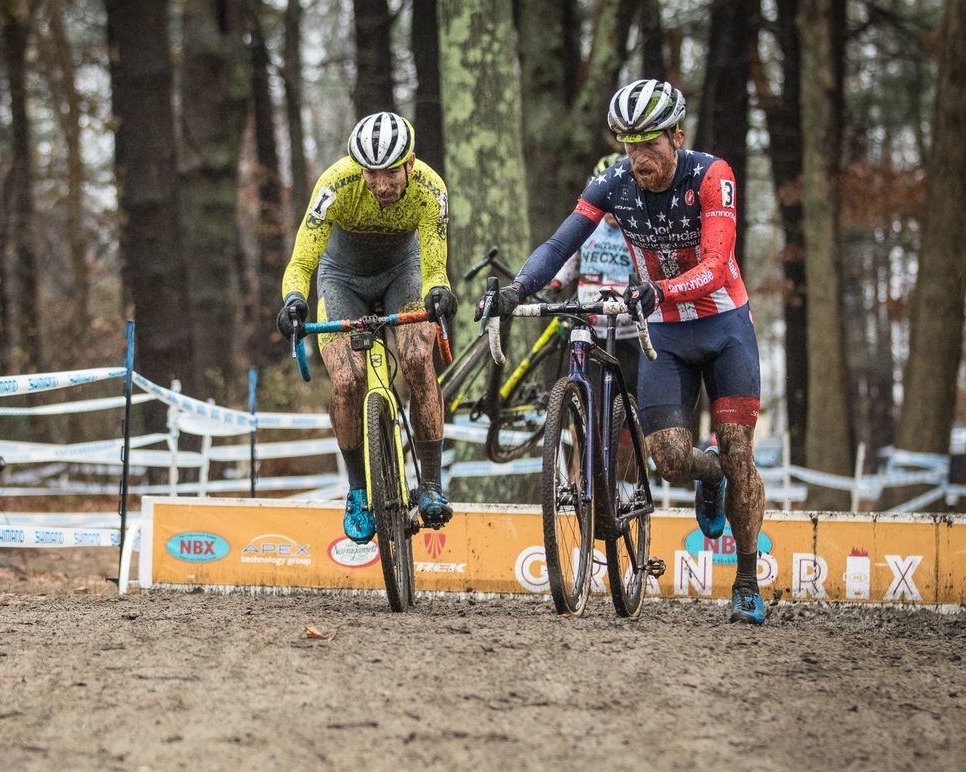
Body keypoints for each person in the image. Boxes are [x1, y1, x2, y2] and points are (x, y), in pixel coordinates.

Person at [478, 79, 767, 625]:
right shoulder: (614, 182)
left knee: (738, 449)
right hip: (665, 332)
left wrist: (662, 289)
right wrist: (518, 289)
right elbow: (562, 243)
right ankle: (712, 477)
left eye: (649, 143)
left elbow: (715, 260)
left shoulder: (711, 175)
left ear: (676, 137)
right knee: (670, 460)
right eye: (628, 143)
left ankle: (747, 579)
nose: (638, 157)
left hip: (724, 324)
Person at [278, 111, 457, 544]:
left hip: (405, 274)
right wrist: (293, 299)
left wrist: (439, 292)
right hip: (342, 279)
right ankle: (358, 490)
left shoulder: (431, 190)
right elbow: (302, 260)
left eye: (390, 174)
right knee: (346, 379)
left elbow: (435, 266)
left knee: (416, 358)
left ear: (410, 164)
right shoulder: (334, 185)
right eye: (371, 174)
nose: (380, 185)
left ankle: (430, 483)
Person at [550, 152, 642, 401]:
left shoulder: (637, 227)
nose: (611, 207)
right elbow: (570, 257)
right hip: (589, 322)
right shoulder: (588, 224)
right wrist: (556, 282)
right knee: (586, 393)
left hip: (628, 328)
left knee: (630, 393)